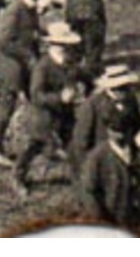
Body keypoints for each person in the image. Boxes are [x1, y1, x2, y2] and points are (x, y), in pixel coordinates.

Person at [18, 20, 85, 190]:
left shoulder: (69, 61)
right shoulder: (43, 67)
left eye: (69, 45)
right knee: (34, 146)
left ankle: (81, 180)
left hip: (65, 114)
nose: (68, 49)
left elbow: (80, 74)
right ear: (53, 45)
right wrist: (59, 98)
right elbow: (36, 95)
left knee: (74, 144)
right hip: (43, 116)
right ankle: (18, 176)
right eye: (64, 45)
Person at [0, 0, 46, 169]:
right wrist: (28, 55)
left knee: (38, 101)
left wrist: (44, 35)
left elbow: (31, 29)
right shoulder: (14, 10)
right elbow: (4, 40)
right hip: (11, 68)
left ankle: (44, 141)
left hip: (25, 65)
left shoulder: (29, 7)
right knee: (6, 108)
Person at [76, 113, 140, 231]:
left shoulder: (134, 152)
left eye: (124, 131)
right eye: (116, 131)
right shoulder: (97, 157)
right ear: (108, 131)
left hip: (131, 219)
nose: (120, 136)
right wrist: (101, 220)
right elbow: (88, 191)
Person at [73, 64, 140, 165]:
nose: (126, 92)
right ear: (111, 88)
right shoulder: (92, 105)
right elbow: (81, 142)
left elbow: (136, 124)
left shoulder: (130, 100)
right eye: (121, 88)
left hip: (126, 155)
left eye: (127, 87)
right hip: (101, 159)